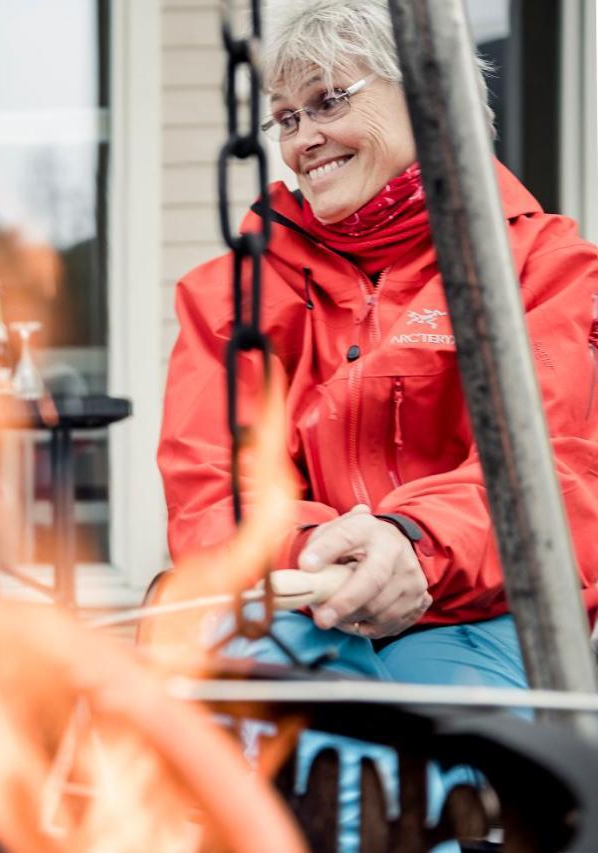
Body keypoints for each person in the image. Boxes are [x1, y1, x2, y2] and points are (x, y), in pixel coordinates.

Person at [158, 0, 598, 847]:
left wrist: (414, 543)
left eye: (329, 102)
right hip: (295, 599)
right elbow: (213, 491)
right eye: (285, 118)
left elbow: (557, 469)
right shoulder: (230, 294)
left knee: (449, 778)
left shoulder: (544, 268)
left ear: (433, 99)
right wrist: (325, 560)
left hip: (475, 608)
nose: (300, 140)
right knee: (317, 759)